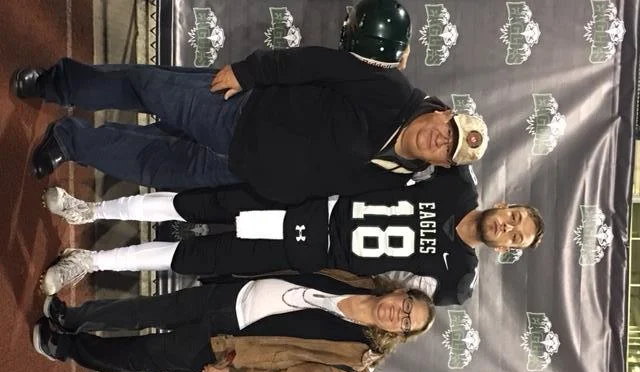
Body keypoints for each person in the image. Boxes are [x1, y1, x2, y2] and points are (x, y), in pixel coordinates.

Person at [11, 0, 488, 204]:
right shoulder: (392, 91)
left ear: (444, 164)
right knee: (144, 87)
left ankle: (69, 141)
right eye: (448, 130)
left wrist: (268, 189)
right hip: (241, 112)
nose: (440, 140)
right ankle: (56, 84)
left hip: (240, 169)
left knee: (148, 163)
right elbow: (317, 63)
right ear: (444, 113)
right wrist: (250, 72)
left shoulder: (398, 179)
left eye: (448, 150)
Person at [40, 167, 544, 305]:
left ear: (507, 251)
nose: (508, 227)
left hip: (312, 249)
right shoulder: (459, 182)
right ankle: (90, 210)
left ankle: (90, 261)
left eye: (515, 237)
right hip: (313, 202)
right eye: (515, 216)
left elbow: (399, 301)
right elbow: (413, 144)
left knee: (193, 257)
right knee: (195, 203)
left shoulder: (458, 279)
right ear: (506, 204)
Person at [32, 273, 435, 372]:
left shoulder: (350, 363)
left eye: (406, 324)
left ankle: (65, 347)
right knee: (143, 310)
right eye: (406, 306)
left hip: (225, 348)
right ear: (401, 291)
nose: (397, 315)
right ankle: (72, 317)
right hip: (229, 298)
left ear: (399, 335)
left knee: (138, 354)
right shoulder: (360, 278)